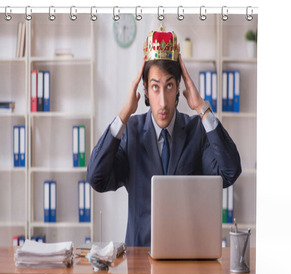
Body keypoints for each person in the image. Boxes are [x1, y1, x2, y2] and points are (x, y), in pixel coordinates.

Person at [87, 27, 241, 247]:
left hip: (185, 261)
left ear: (179, 87)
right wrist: (123, 115)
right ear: (145, 91)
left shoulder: (196, 131)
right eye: (155, 87)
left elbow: (230, 172)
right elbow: (96, 178)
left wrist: (202, 108)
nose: (162, 101)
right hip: (139, 263)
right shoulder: (130, 131)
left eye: (169, 86)